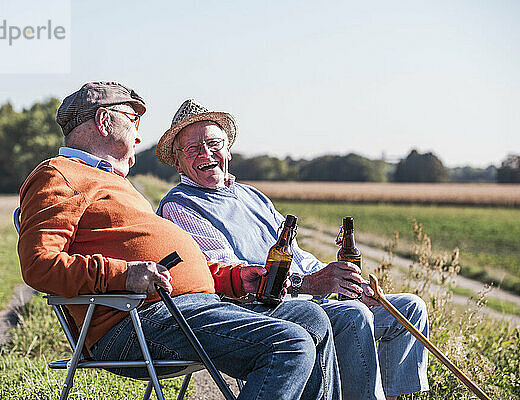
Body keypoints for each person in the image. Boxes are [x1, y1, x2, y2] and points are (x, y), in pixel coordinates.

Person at [16, 82, 342, 400]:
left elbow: (171, 262)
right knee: (289, 344)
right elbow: (38, 265)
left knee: (312, 318)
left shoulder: (113, 183)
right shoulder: (59, 175)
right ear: (104, 121)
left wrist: (233, 278)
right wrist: (125, 275)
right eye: (133, 120)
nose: (139, 133)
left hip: (188, 307)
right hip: (136, 321)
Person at [155, 99, 430, 400]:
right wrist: (311, 284)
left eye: (213, 142)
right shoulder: (181, 205)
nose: (205, 154)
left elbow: (296, 255)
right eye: (192, 149)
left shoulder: (251, 195)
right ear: (178, 162)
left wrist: (341, 281)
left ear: (228, 149)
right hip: (261, 313)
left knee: (409, 309)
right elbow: (234, 282)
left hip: (305, 299)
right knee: (353, 315)